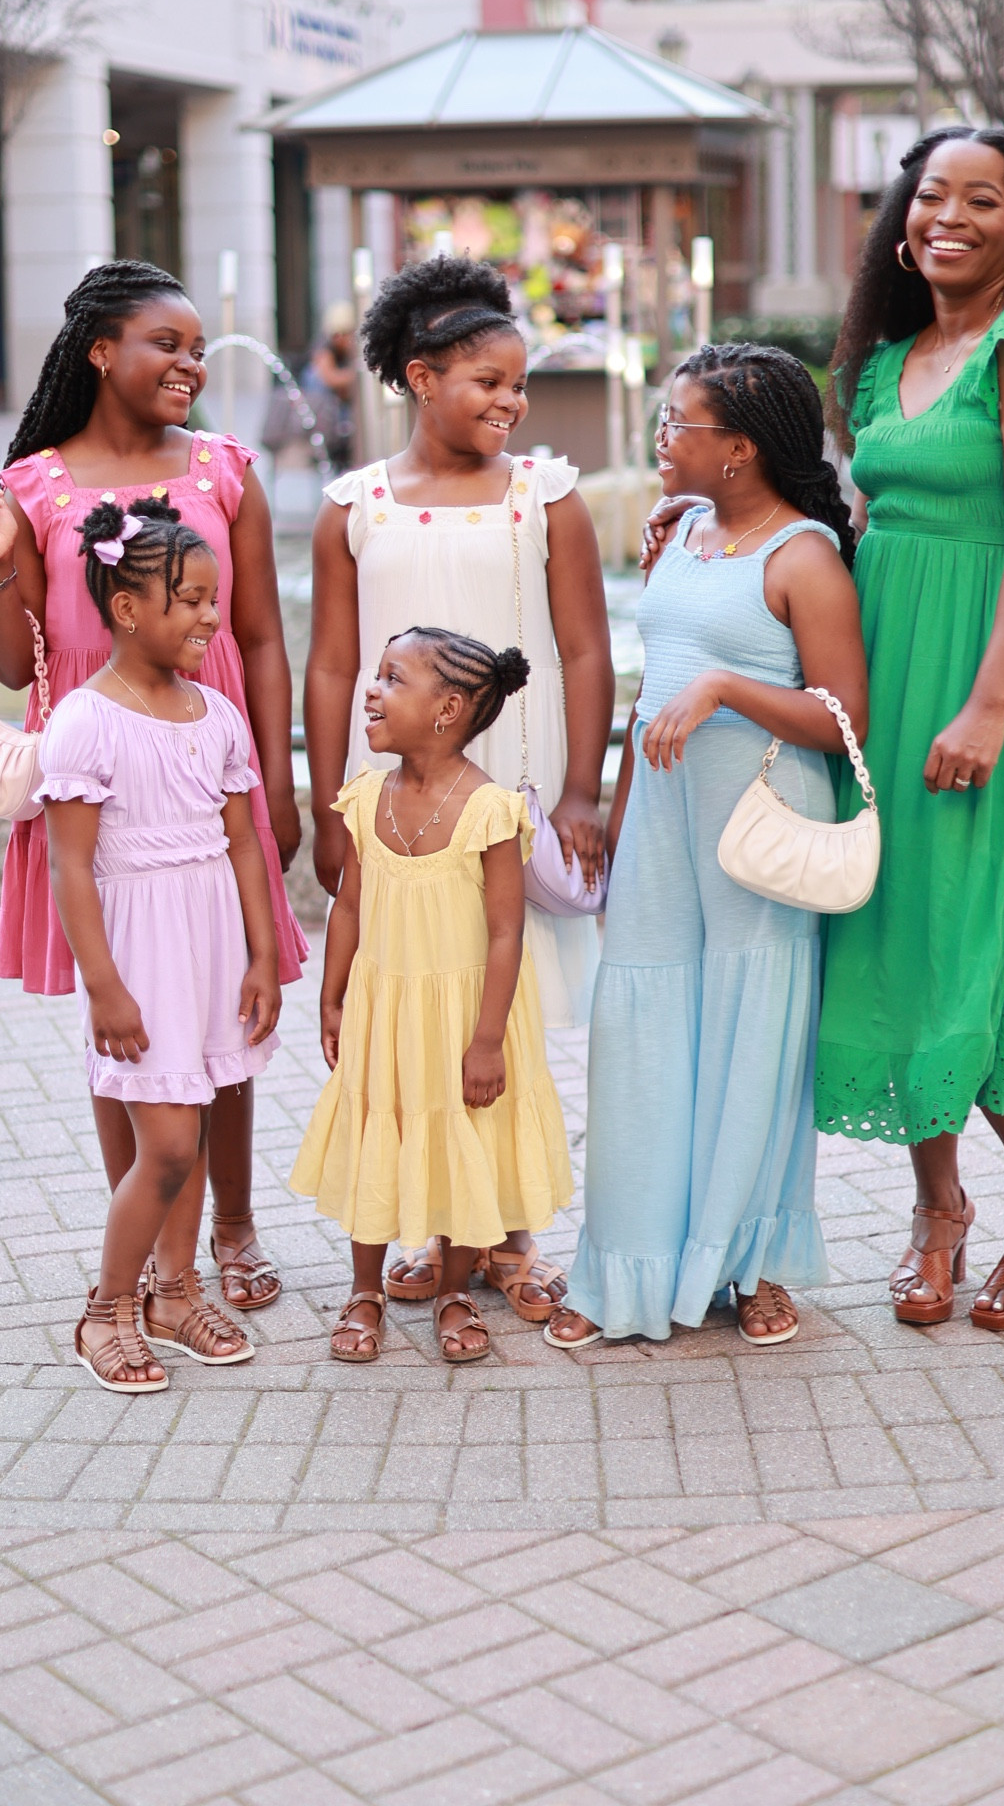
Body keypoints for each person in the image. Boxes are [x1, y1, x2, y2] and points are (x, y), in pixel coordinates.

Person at [0, 260, 306, 1314]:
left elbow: (260, 635)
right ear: (100, 349)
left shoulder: (225, 469)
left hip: (214, 771)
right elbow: (15, 668)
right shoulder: (33, 485)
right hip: (99, 794)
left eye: (200, 347)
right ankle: (146, 1249)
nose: (191, 364)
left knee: (228, 1013)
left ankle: (233, 1224)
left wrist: (276, 781)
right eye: (168, 343)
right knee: (128, 1033)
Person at [815, 125, 1004, 1331]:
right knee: (895, 945)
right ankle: (937, 1209)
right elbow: (860, 523)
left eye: (979, 199)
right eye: (930, 193)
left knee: (971, 953)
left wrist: (986, 703)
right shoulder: (886, 361)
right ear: (902, 220)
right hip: (885, 683)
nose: (948, 214)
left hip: (984, 681)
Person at [304, 254, 613, 1323]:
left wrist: (581, 789)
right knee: (411, 1007)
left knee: (500, 1016)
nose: (511, 403)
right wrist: (326, 801)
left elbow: (581, 646)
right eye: (489, 381)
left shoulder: (547, 497)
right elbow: (334, 666)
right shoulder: (354, 507)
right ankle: (435, 1224)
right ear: (421, 375)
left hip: (507, 807)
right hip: (394, 816)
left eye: (519, 386)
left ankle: (504, 1230)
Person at [546, 344, 868, 1349]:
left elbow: (842, 716)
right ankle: (626, 1263)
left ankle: (753, 1258)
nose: (657, 435)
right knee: (641, 1029)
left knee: (750, 1038)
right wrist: (610, 803)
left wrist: (727, 689)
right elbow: (657, 677)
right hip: (662, 818)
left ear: (736, 447)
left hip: (761, 820)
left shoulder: (802, 556)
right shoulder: (678, 529)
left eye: (676, 420)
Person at [39, 499, 280, 1392]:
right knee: (170, 1144)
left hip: (212, 942)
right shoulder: (86, 721)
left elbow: (246, 840)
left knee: (204, 1108)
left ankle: (175, 1293)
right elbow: (70, 868)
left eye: (214, 600)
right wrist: (102, 986)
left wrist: (261, 955)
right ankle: (106, 1310)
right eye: (190, 601)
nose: (210, 618)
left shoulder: (217, 713)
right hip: (140, 948)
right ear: (129, 608)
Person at [291, 628, 572, 1364]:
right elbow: (348, 905)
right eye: (376, 675)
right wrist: (333, 996)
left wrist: (486, 1041)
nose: (370, 689)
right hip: (387, 1011)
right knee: (374, 1129)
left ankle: (452, 1287)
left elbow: (506, 933)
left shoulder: (489, 810)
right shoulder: (365, 797)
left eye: (392, 678)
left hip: (463, 1016)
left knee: (460, 1143)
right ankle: (364, 1288)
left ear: (447, 709)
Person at [302, 301, 358, 473]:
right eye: (348, 335)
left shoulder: (339, 353)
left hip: (331, 417)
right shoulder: (324, 353)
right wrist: (359, 375)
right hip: (323, 420)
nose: (350, 341)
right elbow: (331, 379)